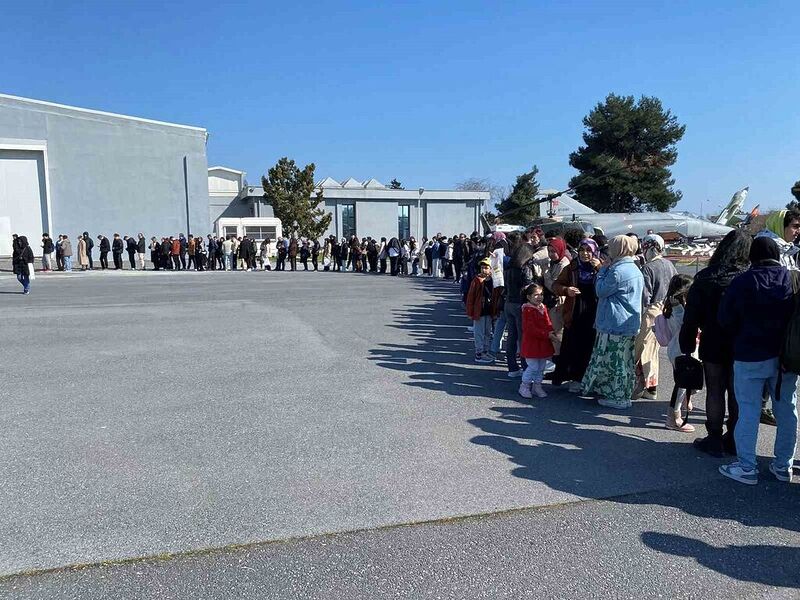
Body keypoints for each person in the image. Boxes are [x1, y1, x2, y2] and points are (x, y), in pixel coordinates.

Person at [718, 237, 797, 485]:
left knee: (749, 411)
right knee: (787, 411)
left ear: (752, 255)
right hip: (786, 357)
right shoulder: (792, 279)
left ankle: (747, 467)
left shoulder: (742, 282)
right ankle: (783, 466)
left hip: (749, 353)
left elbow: (725, 318)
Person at [680, 230, 750, 456]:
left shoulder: (706, 276)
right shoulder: (748, 276)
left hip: (713, 338)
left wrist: (688, 343)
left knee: (715, 390)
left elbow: (691, 316)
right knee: (737, 392)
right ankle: (734, 437)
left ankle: (714, 437)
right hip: (741, 341)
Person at [581, 235, 644, 410]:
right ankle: (623, 394)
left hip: (614, 322)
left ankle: (617, 398)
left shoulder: (617, 271)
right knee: (624, 361)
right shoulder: (634, 268)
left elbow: (600, 290)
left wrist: (602, 271)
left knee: (614, 362)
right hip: (628, 323)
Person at [552, 238, 601, 392]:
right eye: (582, 250)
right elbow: (556, 285)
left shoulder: (600, 266)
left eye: (588, 250)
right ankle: (574, 378)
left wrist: (600, 268)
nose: (585, 254)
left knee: (590, 346)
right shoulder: (572, 266)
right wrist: (567, 290)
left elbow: (610, 282)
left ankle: (587, 378)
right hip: (574, 310)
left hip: (594, 311)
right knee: (573, 344)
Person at [633, 234, 677, 399]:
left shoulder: (648, 268)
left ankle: (644, 386)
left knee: (642, 348)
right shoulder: (669, 265)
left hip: (650, 311)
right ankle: (651, 387)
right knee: (653, 349)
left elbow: (645, 296)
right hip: (665, 311)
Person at [661, 274, 696, 432]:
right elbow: (687, 325)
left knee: (686, 382)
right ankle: (674, 418)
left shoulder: (672, 305)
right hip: (682, 349)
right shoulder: (679, 309)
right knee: (682, 384)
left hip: (676, 348)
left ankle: (684, 403)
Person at [519, 283, 557, 399]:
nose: (539, 297)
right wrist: (546, 334)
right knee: (533, 366)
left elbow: (548, 322)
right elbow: (529, 329)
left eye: (541, 294)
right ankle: (524, 386)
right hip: (532, 343)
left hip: (543, 342)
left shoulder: (543, 307)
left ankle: (537, 386)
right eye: (536, 295)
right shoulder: (528, 310)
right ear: (529, 297)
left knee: (541, 367)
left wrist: (551, 331)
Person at [466, 258, 494, 364]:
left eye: (486, 268)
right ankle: (479, 353)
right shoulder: (477, 280)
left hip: (489, 310)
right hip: (479, 311)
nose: (484, 270)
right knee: (479, 333)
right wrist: (470, 311)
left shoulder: (492, 280)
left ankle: (485, 351)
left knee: (487, 332)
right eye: (482, 267)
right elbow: (470, 297)